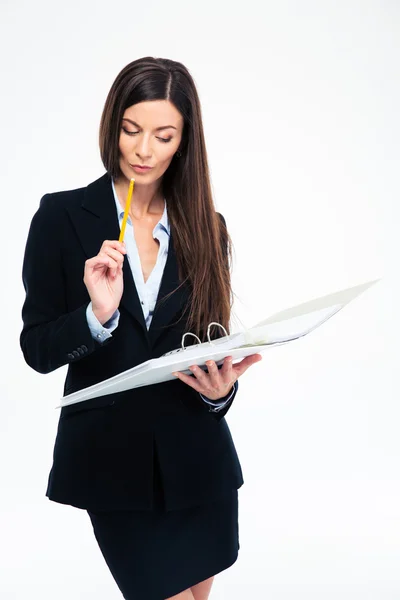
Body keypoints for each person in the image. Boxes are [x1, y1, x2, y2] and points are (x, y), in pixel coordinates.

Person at [19, 56, 262, 600]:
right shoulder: (60, 219)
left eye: (163, 134)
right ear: (113, 126)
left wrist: (221, 393)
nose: (144, 150)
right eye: (131, 130)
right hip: (113, 468)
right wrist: (95, 317)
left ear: (185, 141)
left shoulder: (208, 228)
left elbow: (209, 343)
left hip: (198, 465)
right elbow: (36, 348)